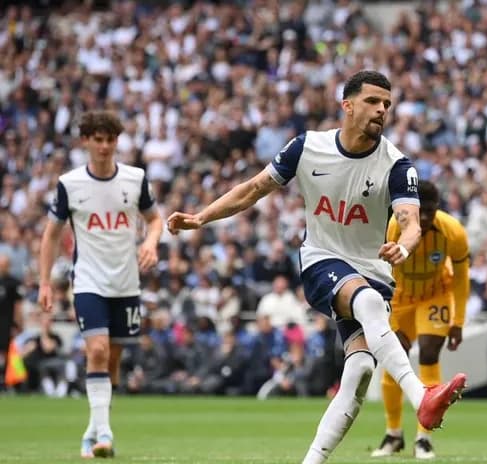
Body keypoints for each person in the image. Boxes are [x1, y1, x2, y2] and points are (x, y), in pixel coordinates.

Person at [165, 70, 466, 464]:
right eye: (373, 101)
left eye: (387, 105)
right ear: (348, 105)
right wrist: (202, 217)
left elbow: (410, 222)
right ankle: (421, 396)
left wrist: (405, 249)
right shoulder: (307, 147)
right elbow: (255, 188)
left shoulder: (396, 164)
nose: (381, 110)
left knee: (358, 372)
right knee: (369, 304)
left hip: (373, 273)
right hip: (323, 260)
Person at [38, 111, 163, 458]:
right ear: (86, 141)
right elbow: (50, 237)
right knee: (96, 350)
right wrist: (45, 282)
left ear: (116, 142)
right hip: (89, 281)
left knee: (113, 362)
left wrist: (151, 243)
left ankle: (92, 432)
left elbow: (155, 220)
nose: (105, 146)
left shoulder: (135, 179)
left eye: (110, 140)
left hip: (126, 282)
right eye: (98, 139)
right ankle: (105, 432)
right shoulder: (70, 184)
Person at [371, 180, 470, 459]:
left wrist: (458, 321)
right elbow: (378, 271)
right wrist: (382, 309)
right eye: (420, 211)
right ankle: (393, 434)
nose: (425, 218)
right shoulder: (391, 227)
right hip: (399, 298)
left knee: (428, 353)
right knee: (394, 359)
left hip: (435, 296)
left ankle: (423, 438)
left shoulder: (453, 232)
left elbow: (462, 278)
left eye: (431, 211)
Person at [0, 254, 23, 392]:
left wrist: (18, 323)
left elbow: (18, 305)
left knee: (8, 352)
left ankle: (10, 382)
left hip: (7, 323)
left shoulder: (13, 283)